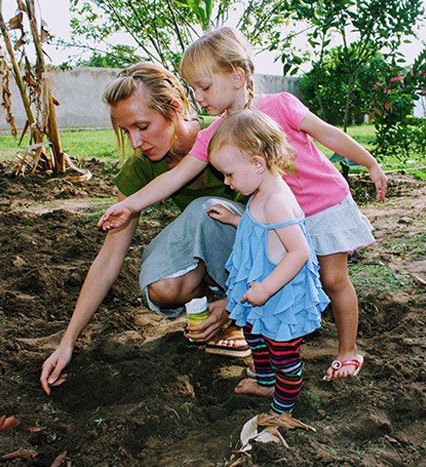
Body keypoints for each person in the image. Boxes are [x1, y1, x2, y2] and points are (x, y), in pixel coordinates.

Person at [98, 27, 387, 381]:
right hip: (281, 216)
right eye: (193, 88)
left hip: (323, 204)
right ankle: (276, 358)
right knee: (279, 281)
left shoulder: (279, 105)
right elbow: (174, 177)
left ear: (237, 76)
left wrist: (369, 162)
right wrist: (130, 206)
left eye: (204, 86)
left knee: (332, 278)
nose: (198, 97)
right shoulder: (216, 134)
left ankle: (347, 351)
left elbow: (327, 133)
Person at [39, 62, 248, 396]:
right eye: (126, 132)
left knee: (206, 210)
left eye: (143, 126)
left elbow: (283, 216)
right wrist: (67, 342)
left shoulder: (230, 133)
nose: (136, 142)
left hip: (269, 251)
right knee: (161, 287)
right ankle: (219, 312)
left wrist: (240, 299)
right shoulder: (142, 167)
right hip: (227, 259)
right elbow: (110, 256)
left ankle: (243, 314)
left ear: (175, 108)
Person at [206, 109, 329, 414]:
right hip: (262, 286)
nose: (226, 181)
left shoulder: (275, 201)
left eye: (229, 174)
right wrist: (236, 220)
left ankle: (282, 409)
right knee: (253, 333)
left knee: (283, 354)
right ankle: (265, 381)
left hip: (280, 295)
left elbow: (298, 252)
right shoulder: (261, 191)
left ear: (257, 163)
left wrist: (266, 289)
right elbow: (261, 233)